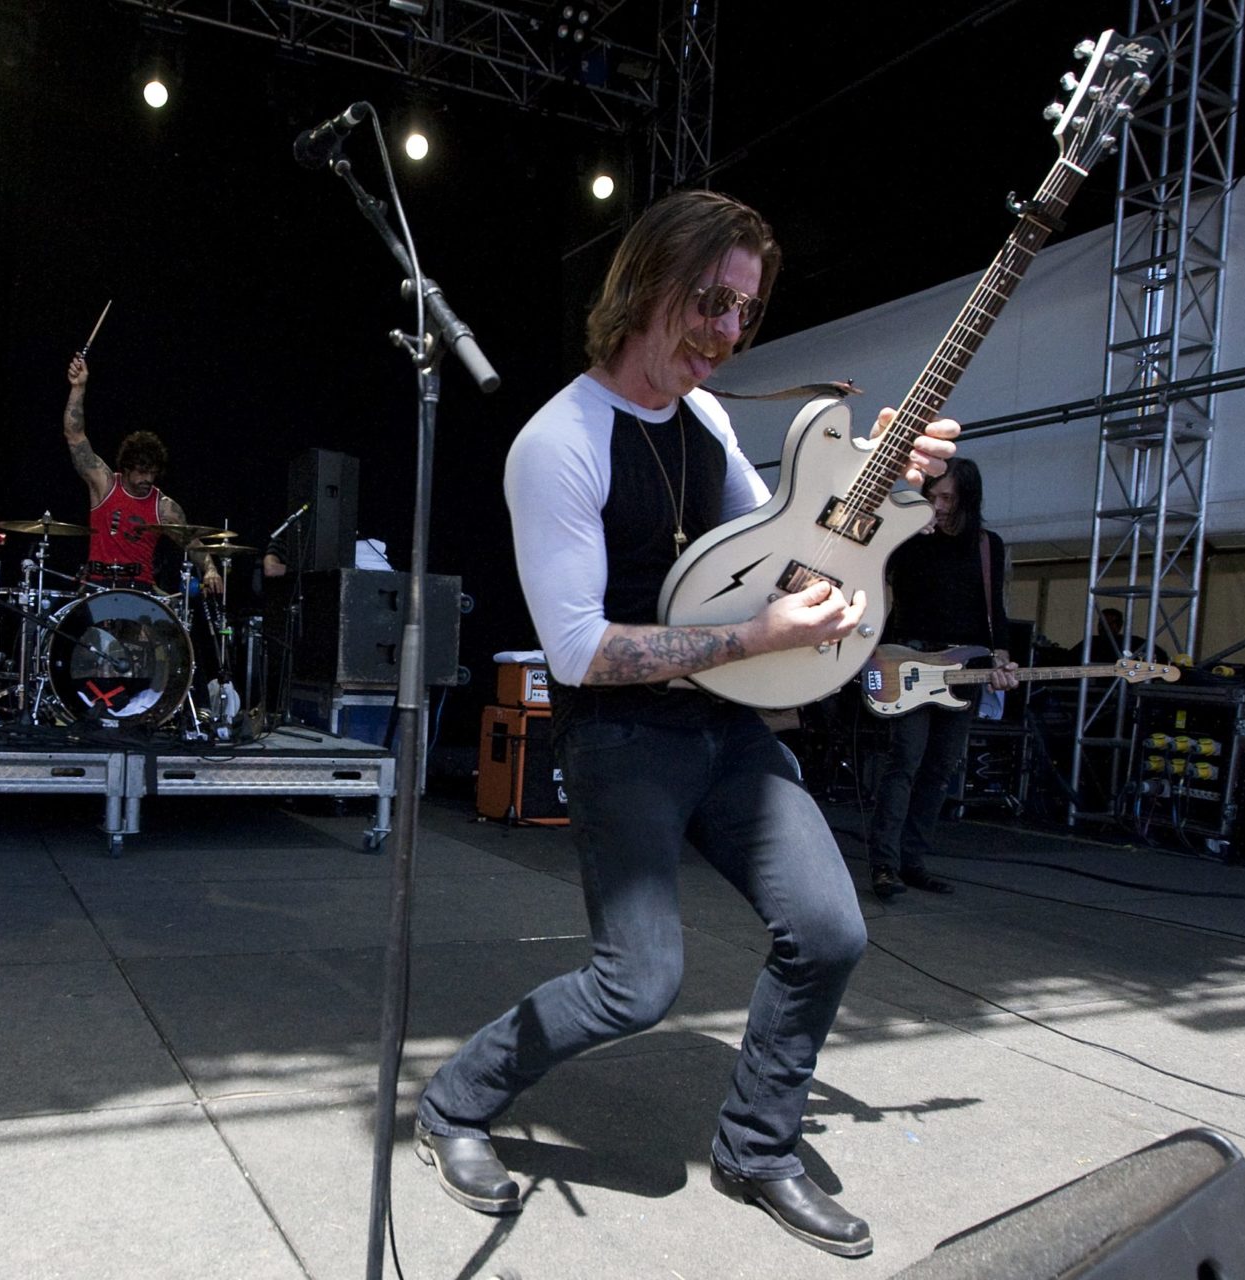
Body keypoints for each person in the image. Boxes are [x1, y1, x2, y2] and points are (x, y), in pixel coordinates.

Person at [413, 189, 959, 1259]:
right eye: (707, 300)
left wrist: (878, 475)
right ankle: (452, 1102)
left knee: (833, 928)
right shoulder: (556, 443)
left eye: (742, 312)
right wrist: (760, 637)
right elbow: (578, 649)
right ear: (642, 286)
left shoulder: (706, 420)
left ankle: (758, 1146)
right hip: (619, 737)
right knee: (639, 981)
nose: (724, 331)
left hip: (730, 727)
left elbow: (785, 545)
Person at [863, 458, 1018, 900]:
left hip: (965, 667)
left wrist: (1001, 658)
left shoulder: (988, 545)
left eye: (947, 498)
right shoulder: (910, 540)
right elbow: (877, 575)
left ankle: (913, 861)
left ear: (967, 498)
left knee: (940, 768)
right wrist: (904, 528)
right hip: (910, 657)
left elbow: (995, 610)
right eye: (933, 496)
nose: (939, 505)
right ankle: (884, 865)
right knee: (904, 762)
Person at [62, 354, 222, 597]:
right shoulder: (104, 484)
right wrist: (78, 387)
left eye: (153, 473)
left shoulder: (164, 507)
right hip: (97, 587)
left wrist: (210, 569)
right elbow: (74, 435)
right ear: (126, 467)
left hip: (142, 591)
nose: (148, 479)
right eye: (142, 472)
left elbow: (191, 542)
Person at [1087, 607, 1166, 664]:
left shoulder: (1134, 643)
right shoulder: (1089, 643)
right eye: (1102, 623)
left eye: (1110, 623)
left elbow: (1160, 658)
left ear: (1120, 625)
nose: (1104, 627)